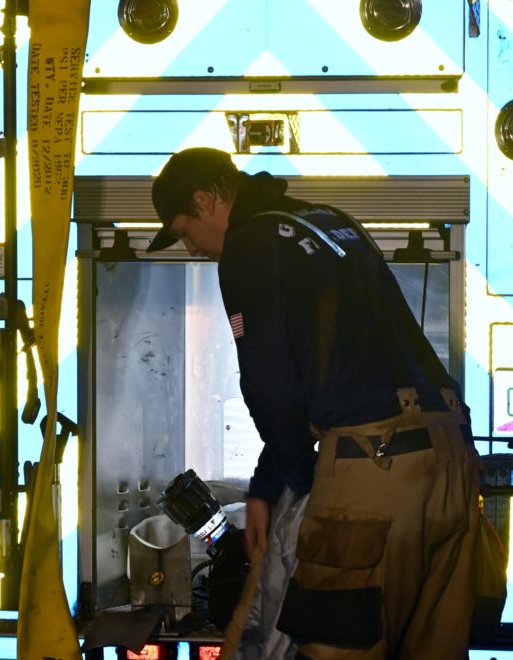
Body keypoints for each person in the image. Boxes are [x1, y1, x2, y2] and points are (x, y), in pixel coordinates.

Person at [147, 147, 488, 660]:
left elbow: (269, 380)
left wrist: (280, 483)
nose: (191, 249)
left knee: (336, 645)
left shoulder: (249, 243)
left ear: (205, 200)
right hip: (453, 462)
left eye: (184, 232)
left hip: (376, 467)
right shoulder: (330, 220)